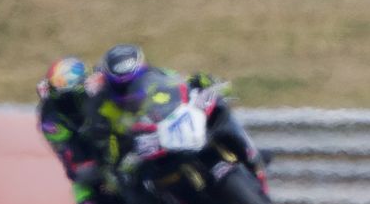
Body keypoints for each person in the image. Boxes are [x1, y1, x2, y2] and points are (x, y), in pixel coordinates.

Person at [93, 44, 268, 186]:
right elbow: (112, 140)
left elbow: (180, 82)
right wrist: (121, 157)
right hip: (152, 146)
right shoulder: (106, 106)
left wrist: (204, 82)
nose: (130, 90)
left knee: (219, 110)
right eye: (123, 87)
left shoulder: (158, 75)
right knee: (137, 184)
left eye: (134, 82)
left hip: (178, 122)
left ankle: (251, 156)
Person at [36, 57, 121, 204]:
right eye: (64, 99)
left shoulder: (105, 91)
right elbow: (70, 154)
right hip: (87, 155)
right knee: (83, 177)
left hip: (120, 146)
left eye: (76, 98)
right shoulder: (50, 117)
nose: (71, 105)